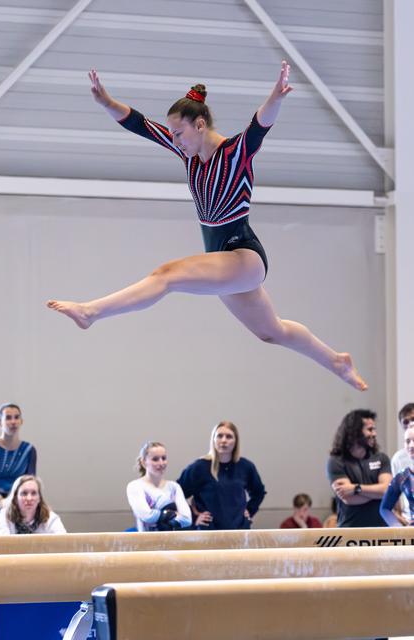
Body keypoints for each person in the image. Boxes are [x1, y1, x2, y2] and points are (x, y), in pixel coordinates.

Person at [46, 62, 367, 392]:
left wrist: (276, 96)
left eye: (179, 133)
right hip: (220, 259)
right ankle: (336, 361)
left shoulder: (235, 152)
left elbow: (260, 124)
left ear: (200, 125)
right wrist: (106, 101)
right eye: (173, 134)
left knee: (166, 275)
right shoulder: (187, 153)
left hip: (243, 255)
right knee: (272, 331)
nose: (175, 140)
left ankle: (91, 311)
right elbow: (141, 125)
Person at [177, 421, 266, 530]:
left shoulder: (245, 466)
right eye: (219, 436)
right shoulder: (199, 467)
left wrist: (250, 510)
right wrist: (194, 515)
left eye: (229, 437)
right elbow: (177, 494)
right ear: (213, 439)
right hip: (209, 531)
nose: (224, 440)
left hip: (239, 530)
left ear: (236, 441)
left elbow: (259, 492)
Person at [327, 409, 392, 528]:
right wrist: (377, 492)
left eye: (374, 429)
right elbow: (348, 498)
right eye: (370, 429)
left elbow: (387, 491)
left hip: (381, 529)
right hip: (350, 531)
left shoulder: (381, 458)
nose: (374, 434)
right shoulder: (336, 461)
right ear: (355, 432)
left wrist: (356, 488)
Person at [0, 403, 37, 532]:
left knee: (37, 522)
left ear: (21, 421)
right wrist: (2, 503)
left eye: (16, 417)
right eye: (8, 418)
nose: (13, 422)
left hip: (22, 501)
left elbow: (31, 483)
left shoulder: (29, 450)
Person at [126, 441, 192, 532]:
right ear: (144, 462)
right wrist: (173, 515)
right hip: (146, 542)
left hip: (170, 543)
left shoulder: (174, 487)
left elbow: (187, 519)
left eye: (163, 458)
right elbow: (146, 516)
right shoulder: (135, 486)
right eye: (155, 459)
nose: (161, 463)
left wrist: (164, 517)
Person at [0, 475, 66, 535]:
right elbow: (1, 547)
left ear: (39, 498)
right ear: (15, 498)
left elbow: (63, 543)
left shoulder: (50, 518)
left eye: (34, 493)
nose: (29, 498)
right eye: (24, 493)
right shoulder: (5, 516)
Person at [380, 421, 414, 527]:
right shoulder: (404, 476)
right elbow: (384, 508)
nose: (411, 445)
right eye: (408, 441)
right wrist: (397, 527)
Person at [390, 402, 414, 525]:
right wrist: (400, 519)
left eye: (413, 419)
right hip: (409, 520)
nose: (410, 424)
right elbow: (396, 495)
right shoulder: (398, 459)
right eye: (405, 422)